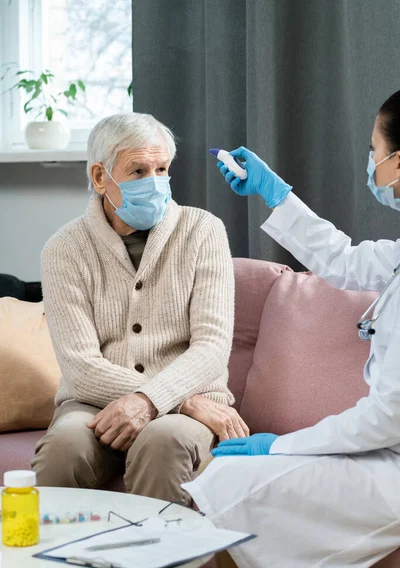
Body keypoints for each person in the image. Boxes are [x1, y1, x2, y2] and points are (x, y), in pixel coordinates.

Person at [183, 90, 400, 568]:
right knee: (235, 478)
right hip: (386, 453)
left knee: (232, 484)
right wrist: (276, 193)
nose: (369, 163)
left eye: (374, 150)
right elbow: (344, 261)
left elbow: (386, 418)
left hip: (391, 458)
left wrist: (279, 444)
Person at [32, 112, 249, 508]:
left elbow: (212, 346)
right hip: (96, 404)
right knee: (63, 448)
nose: (155, 181)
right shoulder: (63, 249)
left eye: (162, 168)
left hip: (191, 403)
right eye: (138, 170)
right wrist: (175, 400)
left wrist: (158, 402)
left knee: (163, 442)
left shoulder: (203, 231)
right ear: (100, 177)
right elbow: (80, 365)